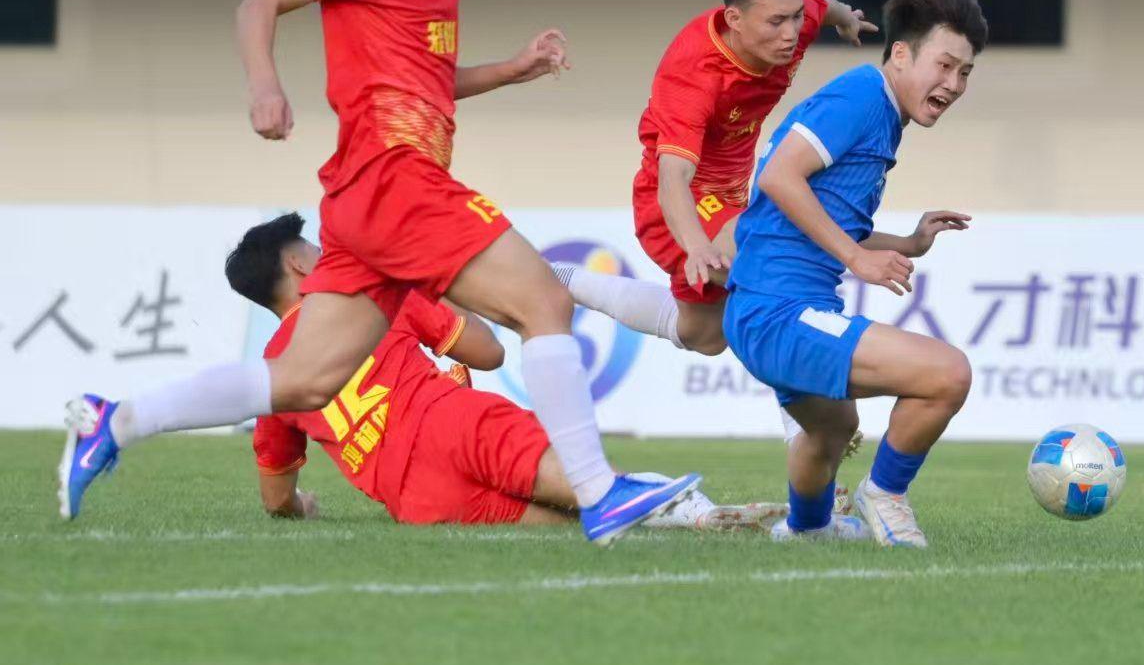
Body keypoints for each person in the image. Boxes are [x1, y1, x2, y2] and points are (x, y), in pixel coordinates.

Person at [59, 0, 697, 544]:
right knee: (544, 303)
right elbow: (257, 3)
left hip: (365, 206)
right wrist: (265, 86)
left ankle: (115, 423)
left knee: (305, 380)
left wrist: (511, 69)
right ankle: (598, 493)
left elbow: (426, 82)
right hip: (396, 181)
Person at [224, 215, 783, 531]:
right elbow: (487, 352)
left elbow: (276, 496)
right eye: (314, 249)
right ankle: (693, 513)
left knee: (564, 526)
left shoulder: (271, 378)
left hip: (415, 498)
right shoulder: (367, 298)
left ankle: (682, 517)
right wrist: (429, 286)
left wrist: (301, 505)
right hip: (451, 421)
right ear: (298, 264)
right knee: (591, 486)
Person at [551, 0, 875, 456]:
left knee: (704, 335)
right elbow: (672, 179)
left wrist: (845, 19)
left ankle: (564, 280)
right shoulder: (694, 72)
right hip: (679, 202)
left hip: (736, 193)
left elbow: (823, 5)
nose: (791, 33)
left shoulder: (796, 12)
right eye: (777, 22)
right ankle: (810, 433)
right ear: (734, 18)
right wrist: (698, 246)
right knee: (769, 271)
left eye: (796, 17)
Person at [722, 0, 987, 547]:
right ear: (901, 54)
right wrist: (856, 259)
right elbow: (779, 176)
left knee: (832, 429)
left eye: (965, 72)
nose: (953, 83)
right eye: (944, 65)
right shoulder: (864, 95)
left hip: (775, 309)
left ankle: (808, 529)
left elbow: (823, 217)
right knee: (948, 374)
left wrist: (908, 244)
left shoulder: (884, 114)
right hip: (777, 312)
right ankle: (885, 494)